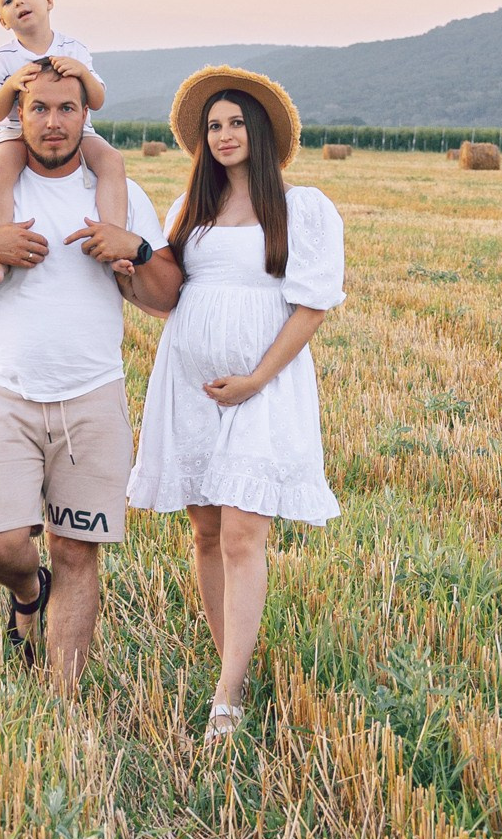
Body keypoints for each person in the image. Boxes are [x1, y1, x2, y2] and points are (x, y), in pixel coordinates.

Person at [0, 61, 180, 686]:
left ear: (86, 115)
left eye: (67, 108)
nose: (54, 121)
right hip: (6, 393)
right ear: (19, 114)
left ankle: (63, 703)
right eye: (39, 109)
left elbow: (164, 294)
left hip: (93, 397)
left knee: (75, 551)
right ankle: (25, 592)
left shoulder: (121, 194)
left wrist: (136, 251)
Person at [128, 67, 344, 741]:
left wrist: (254, 380)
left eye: (234, 122)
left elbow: (312, 308)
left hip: (264, 389)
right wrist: (125, 274)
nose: (223, 135)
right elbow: (167, 300)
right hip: (188, 389)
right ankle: (236, 665)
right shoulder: (186, 212)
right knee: (206, 533)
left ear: (261, 131)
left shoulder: (304, 208)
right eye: (213, 126)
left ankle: (226, 699)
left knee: (246, 535)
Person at [0, 0, 131, 285]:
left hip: (77, 131)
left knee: (112, 161)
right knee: (0, 169)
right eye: (7, 1)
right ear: (2, 21)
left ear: (48, 0)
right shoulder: (2, 59)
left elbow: (97, 101)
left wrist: (82, 73)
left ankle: (116, 241)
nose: (18, 2)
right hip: (16, 133)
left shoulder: (74, 49)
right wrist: (11, 85)